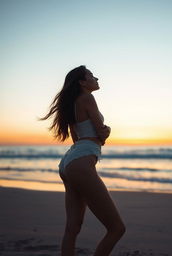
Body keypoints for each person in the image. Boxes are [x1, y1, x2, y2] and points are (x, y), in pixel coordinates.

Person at [38, 65, 125, 256]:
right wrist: (107, 131)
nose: (97, 79)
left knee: (72, 228)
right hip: (80, 162)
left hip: (69, 160)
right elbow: (101, 133)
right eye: (92, 76)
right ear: (82, 82)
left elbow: (76, 139)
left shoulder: (72, 104)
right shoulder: (87, 98)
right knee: (117, 228)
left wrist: (98, 137)